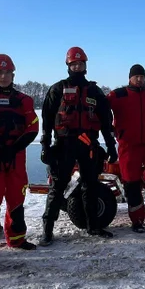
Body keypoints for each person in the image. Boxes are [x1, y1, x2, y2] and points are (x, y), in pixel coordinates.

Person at [39, 46, 117, 245]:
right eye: (74, 63)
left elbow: (106, 122)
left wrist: (111, 146)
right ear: (68, 65)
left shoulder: (94, 91)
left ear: (85, 66)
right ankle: (47, 231)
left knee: (90, 185)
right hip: (64, 145)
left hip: (88, 145)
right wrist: (45, 146)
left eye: (80, 63)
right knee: (58, 186)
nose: (77, 66)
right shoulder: (58, 89)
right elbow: (47, 119)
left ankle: (93, 226)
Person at [0, 53, 40, 257]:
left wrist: (14, 148)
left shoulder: (23, 100)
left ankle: (17, 238)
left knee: (16, 198)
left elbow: (32, 127)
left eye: (7, 72)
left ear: (13, 74)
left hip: (15, 156)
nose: (3, 76)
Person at [108, 64, 145, 232]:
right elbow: (101, 109)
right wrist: (111, 130)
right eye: (136, 76)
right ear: (130, 78)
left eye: (142, 76)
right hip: (128, 147)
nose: (139, 79)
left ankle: (144, 178)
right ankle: (137, 221)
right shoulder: (119, 95)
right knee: (131, 185)